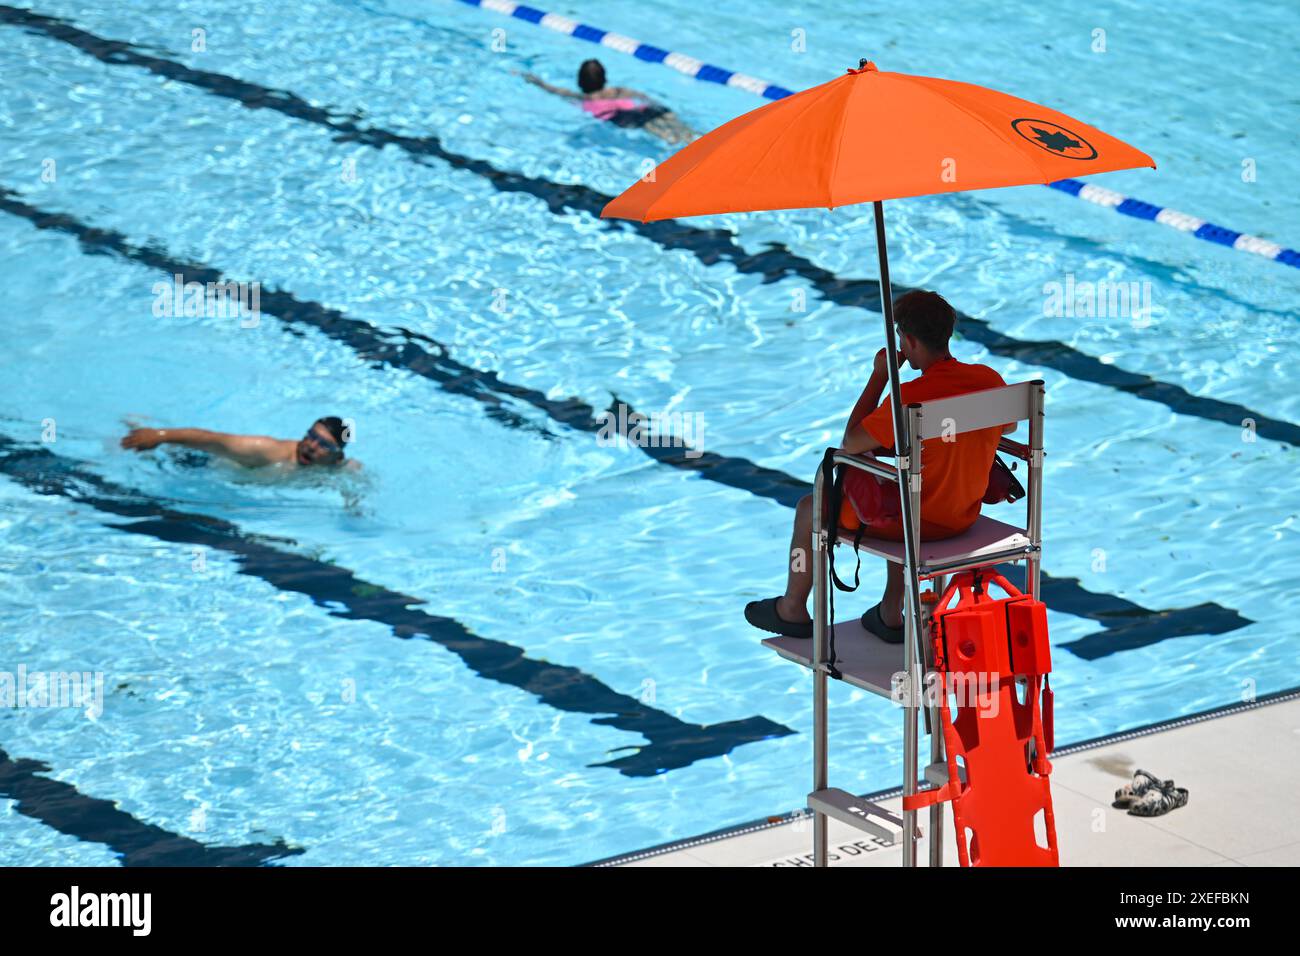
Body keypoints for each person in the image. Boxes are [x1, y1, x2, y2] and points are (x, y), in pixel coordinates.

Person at [744, 290, 1013, 643]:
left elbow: (851, 442)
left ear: (909, 340)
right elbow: (1008, 427)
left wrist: (881, 376)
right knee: (906, 485)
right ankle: (889, 611)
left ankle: (792, 608)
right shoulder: (988, 379)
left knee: (810, 508)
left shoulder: (909, 398)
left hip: (919, 526)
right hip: (964, 516)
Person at [523, 58, 697, 145]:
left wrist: (535, 80)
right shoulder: (619, 91)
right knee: (689, 133)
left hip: (626, 118)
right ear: (605, 78)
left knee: (675, 142)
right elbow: (645, 97)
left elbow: (553, 90)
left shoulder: (582, 98)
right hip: (649, 110)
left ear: (580, 82)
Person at [121, 416, 355, 469]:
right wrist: (160, 436)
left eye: (323, 445)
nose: (311, 447)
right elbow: (211, 440)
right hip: (201, 464)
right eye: (310, 437)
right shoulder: (266, 451)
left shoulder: (338, 468)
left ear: (337, 455)